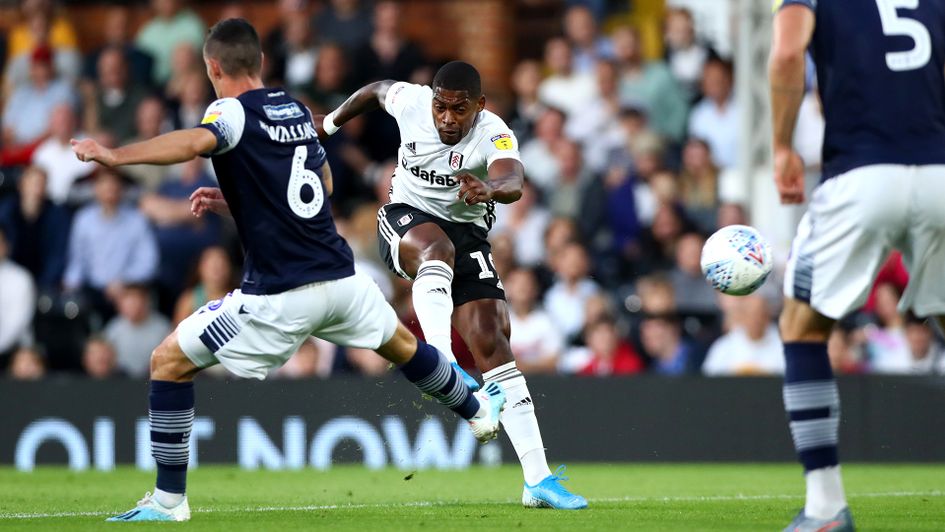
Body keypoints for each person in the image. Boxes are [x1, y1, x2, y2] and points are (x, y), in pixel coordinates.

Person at [71, 19, 505, 522]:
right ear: (259, 62)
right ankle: (477, 409)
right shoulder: (295, 111)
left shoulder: (229, 112)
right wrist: (237, 201)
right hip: (343, 281)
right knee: (405, 349)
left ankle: (169, 501)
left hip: (277, 295)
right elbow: (318, 187)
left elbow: (193, 143)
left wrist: (114, 154)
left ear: (214, 67)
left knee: (167, 363)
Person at [318, 60, 587, 509]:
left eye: (458, 110)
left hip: (467, 235)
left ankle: (537, 481)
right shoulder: (412, 102)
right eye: (441, 107)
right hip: (405, 220)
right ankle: (440, 364)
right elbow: (374, 89)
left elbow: (513, 178)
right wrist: (327, 125)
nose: (447, 118)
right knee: (435, 249)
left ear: (479, 106)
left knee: (494, 341)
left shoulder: (494, 130)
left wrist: (489, 187)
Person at [770, 1, 945, 529]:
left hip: (862, 174)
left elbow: (785, 54)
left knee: (802, 327)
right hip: (939, 170)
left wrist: (782, 146)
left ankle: (825, 508)